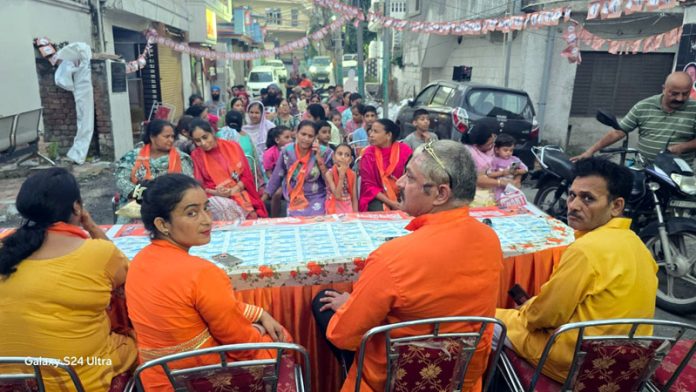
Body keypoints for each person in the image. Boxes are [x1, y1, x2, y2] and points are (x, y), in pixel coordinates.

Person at [313, 140, 503, 392]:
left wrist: (348, 306)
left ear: (441, 194)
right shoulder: (490, 240)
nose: (399, 183)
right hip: (461, 381)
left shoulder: (392, 258)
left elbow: (343, 336)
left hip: (388, 383)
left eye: (410, 177)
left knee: (324, 304)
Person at [496, 158, 658, 383]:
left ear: (616, 206)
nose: (573, 205)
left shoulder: (586, 250)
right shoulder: (637, 245)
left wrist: (527, 310)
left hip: (577, 361)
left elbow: (544, 316)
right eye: (572, 195)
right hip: (625, 362)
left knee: (489, 320)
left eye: (588, 198)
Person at [125, 174, 288, 391]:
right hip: (196, 379)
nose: (207, 220)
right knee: (283, 339)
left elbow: (210, 308)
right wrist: (258, 332)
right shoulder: (202, 272)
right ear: (162, 224)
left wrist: (258, 313)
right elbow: (241, 345)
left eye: (206, 208)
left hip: (155, 377)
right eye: (192, 213)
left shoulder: (139, 261)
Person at [0, 168, 137, 391]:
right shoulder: (99, 253)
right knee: (134, 336)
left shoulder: (6, 248)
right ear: (76, 207)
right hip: (77, 379)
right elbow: (130, 280)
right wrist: (91, 226)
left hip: (9, 379)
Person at [573, 71, 696, 164]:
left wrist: (682, 147)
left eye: (685, 94)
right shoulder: (643, 106)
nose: (680, 98)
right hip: (645, 169)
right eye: (674, 93)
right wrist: (590, 151)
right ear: (664, 89)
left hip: (681, 175)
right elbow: (619, 132)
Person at [190, 119, 268, 220]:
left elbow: (247, 176)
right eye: (198, 141)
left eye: (205, 137)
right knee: (222, 206)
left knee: (250, 213)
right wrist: (217, 193)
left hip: (240, 191)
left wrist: (232, 190)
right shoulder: (196, 155)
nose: (203, 143)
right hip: (214, 196)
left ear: (213, 133)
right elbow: (200, 185)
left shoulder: (233, 147)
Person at [116, 119, 194, 213]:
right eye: (166, 136)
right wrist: (142, 195)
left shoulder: (181, 158)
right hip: (138, 203)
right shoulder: (133, 156)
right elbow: (121, 180)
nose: (171, 140)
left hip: (172, 205)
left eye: (172, 136)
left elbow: (188, 183)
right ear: (152, 137)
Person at [263, 120, 334, 217]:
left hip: (317, 196)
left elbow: (330, 180)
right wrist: (265, 196)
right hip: (294, 196)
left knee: (317, 221)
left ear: (315, 137)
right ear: (296, 133)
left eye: (310, 136)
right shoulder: (287, 151)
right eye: (303, 134)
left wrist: (319, 159)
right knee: (295, 222)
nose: (306, 139)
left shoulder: (325, 152)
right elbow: (278, 174)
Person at [359, 119, 413, 211]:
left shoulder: (405, 151)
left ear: (388, 135)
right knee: (379, 211)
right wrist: (391, 202)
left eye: (375, 131)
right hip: (377, 197)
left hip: (403, 194)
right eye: (371, 130)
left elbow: (412, 177)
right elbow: (368, 186)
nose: (371, 135)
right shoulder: (368, 154)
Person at [463, 124, 512, 206]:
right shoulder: (468, 154)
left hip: (494, 189)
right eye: (489, 145)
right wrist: (500, 182)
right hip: (476, 194)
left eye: (493, 142)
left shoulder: (493, 149)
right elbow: (476, 179)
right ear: (476, 145)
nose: (492, 146)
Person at [486, 133, 528, 200]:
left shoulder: (514, 159)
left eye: (511, 150)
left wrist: (517, 172)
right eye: (505, 150)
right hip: (498, 187)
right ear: (497, 150)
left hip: (511, 186)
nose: (508, 152)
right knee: (499, 201)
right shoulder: (494, 160)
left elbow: (525, 169)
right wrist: (502, 173)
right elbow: (489, 174)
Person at [325, 143, 358, 214]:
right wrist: (341, 177)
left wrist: (355, 213)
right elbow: (337, 195)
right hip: (333, 206)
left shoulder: (353, 174)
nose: (343, 157)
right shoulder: (329, 174)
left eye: (347, 155)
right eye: (340, 154)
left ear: (350, 160)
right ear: (333, 157)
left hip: (348, 205)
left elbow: (354, 197)